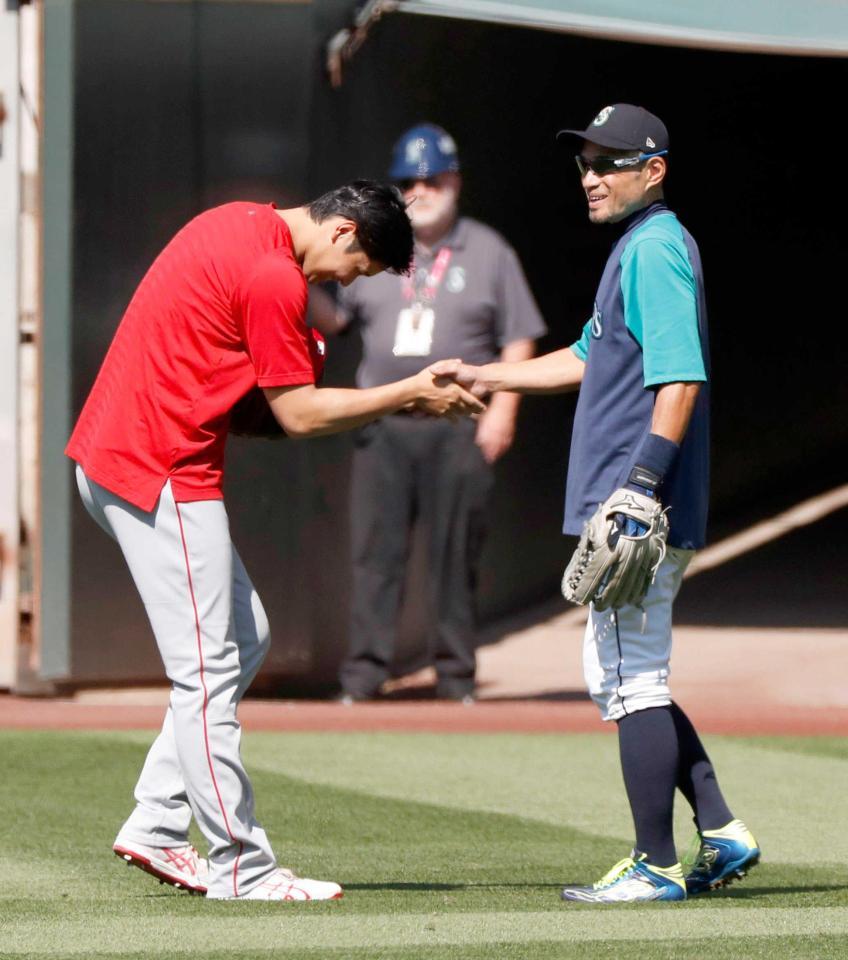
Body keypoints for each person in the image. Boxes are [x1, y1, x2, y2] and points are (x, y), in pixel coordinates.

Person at [65, 181, 484, 903]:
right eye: (356, 269)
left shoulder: (239, 220)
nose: (342, 280)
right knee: (204, 672)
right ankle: (240, 865)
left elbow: (236, 379)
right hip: (160, 471)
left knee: (245, 637)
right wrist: (409, 391)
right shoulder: (273, 275)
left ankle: (157, 822)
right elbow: (300, 416)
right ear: (347, 231)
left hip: (120, 459)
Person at [438, 105, 760, 903]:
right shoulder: (639, 248)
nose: (590, 176)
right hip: (641, 496)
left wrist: (642, 485)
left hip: (639, 500)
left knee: (629, 681)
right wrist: (489, 377)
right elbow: (589, 355)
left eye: (611, 162)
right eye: (584, 163)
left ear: (654, 170)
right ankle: (718, 830)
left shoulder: (653, 249)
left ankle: (654, 865)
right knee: (631, 673)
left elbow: (680, 377)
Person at [312, 124, 546, 703]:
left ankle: (455, 679)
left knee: (454, 556)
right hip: (382, 425)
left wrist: (503, 412)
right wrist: (287, 271)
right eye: (408, 180)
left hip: (456, 425)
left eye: (433, 178)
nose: (421, 189)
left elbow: (519, 337)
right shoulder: (376, 248)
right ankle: (363, 678)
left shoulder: (489, 250)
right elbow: (334, 317)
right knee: (375, 558)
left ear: (455, 182)